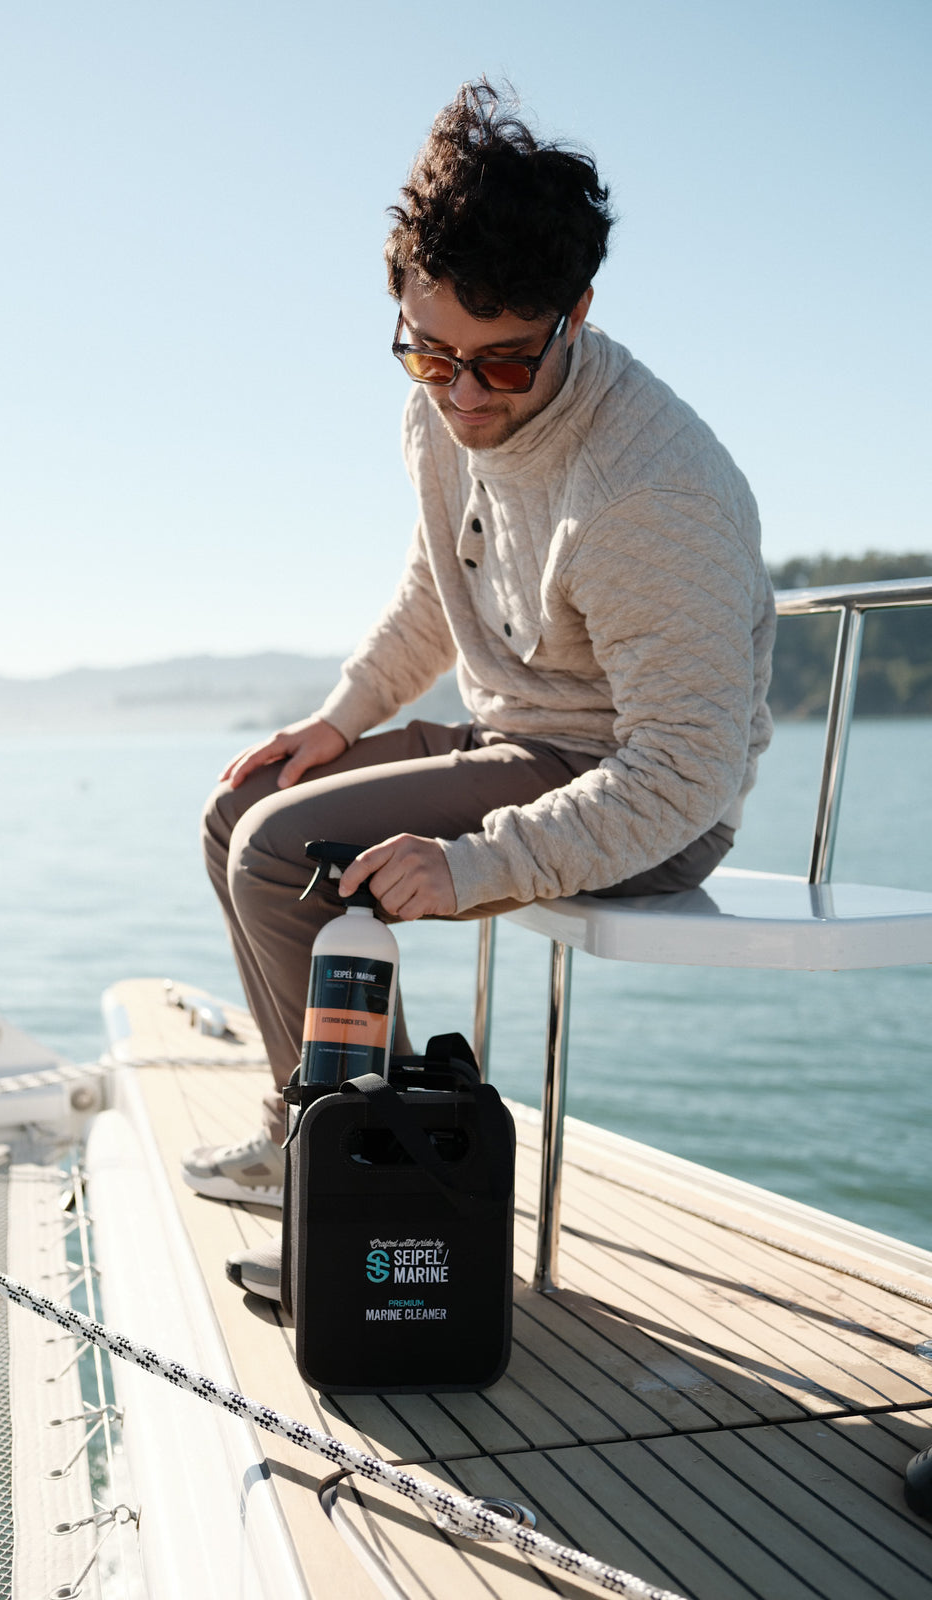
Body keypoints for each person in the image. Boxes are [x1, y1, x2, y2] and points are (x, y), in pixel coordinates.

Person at [184, 81, 775, 1299]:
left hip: (645, 799)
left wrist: (471, 864)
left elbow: (686, 769)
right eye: (429, 352)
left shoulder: (649, 490)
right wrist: (342, 715)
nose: (461, 395)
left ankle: (378, 1201)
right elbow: (434, 576)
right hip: (523, 738)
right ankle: (316, 1135)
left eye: (501, 362)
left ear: (578, 314)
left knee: (273, 857)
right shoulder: (444, 408)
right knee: (236, 806)